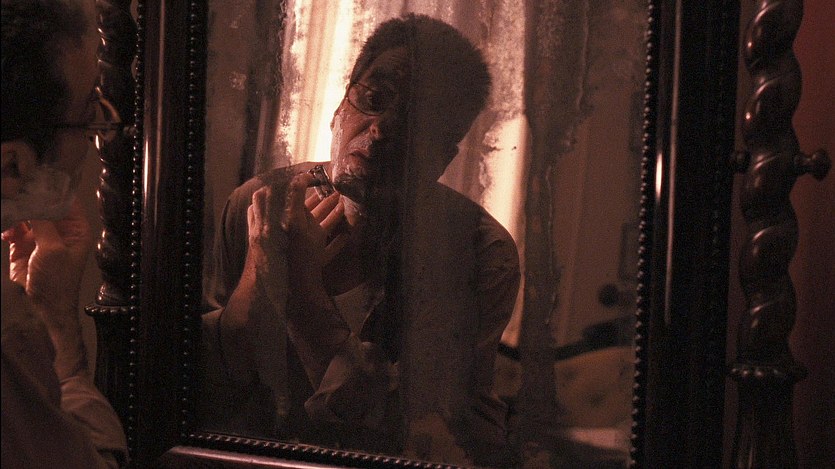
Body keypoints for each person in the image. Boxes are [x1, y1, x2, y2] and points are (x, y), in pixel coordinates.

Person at [199, 14, 520, 467]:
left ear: (442, 157)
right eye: (373, 99)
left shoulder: (479, 256)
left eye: (418, 122)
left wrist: (302, 296)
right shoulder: (258, 204)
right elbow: (206, 387)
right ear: (339, 109)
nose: (382, 129)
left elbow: (425, 439)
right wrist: (258, 276)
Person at [1, 0, 128, 467]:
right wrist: (57, 327)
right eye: (89, 111)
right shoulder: (7, 337)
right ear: (12, 166)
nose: (102, 127)